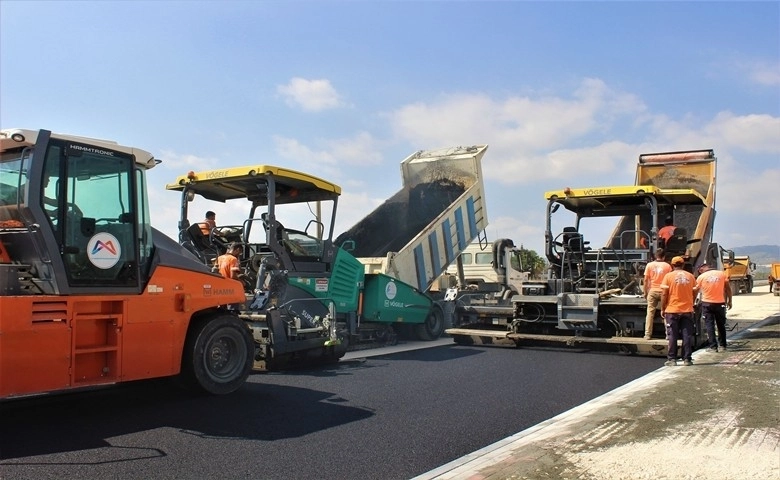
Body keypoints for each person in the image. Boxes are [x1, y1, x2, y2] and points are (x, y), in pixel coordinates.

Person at [660, 256, 699, 366]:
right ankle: (687, 359)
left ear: (672, 265)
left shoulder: (668, 276)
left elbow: (664, 293)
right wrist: (692, 301)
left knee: (672, 334)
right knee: (687, 334)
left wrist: (663, 308)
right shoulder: (690, 276)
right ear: (683, 265)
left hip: (672, 310)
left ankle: (672, 359)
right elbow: (695, 290)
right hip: (687, 310)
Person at [697, 263, 732, 352]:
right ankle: (723, 345)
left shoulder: (701, 277)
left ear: (702, 270)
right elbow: (728, 289)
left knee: (709, 325)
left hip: (707, 303)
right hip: (720, 303)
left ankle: (713, 347)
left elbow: (696, 290)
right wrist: (730, 301)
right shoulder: (722, 274)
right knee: (721, 325)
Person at [643, 248, 672, 340]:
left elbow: (645, 280)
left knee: (650, 313)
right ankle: (668, 334)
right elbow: (670, 280)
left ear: (655, 256)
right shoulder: (667, 266)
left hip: (652, 291)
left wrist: (645, 292)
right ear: (664, 256)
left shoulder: (649, 265)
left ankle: (647, 334)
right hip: (664, 291)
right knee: (666, 312)